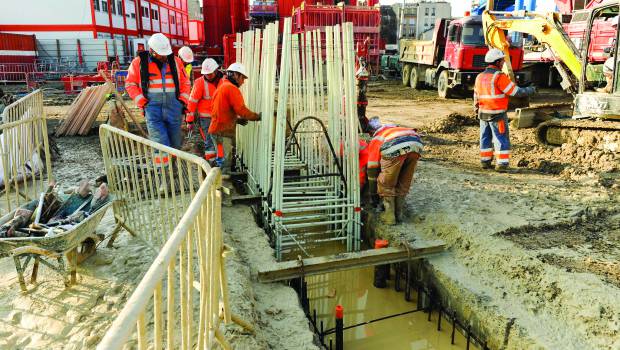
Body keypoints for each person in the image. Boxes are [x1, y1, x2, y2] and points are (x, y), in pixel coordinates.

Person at [125, 33, 191, 151]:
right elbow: (130, 84)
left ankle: (174, 167)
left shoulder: (175, 61)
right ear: (152, 50)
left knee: (176, 144)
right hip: (152, 109)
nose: (165, 57)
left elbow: (186, 82)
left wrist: (182, 101)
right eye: (162, 54)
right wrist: (142, 102)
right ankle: (163, 168)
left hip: (174, 108)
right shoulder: (139, 63)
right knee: (160, 145)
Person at [474, 48, 535, 173]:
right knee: (500, 138)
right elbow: (515, 92)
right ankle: (502, 164)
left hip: (483, 112)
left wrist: (476, 109)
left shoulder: (479, 77)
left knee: (485, 137)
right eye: (501, 61)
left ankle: (485, 161)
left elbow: (476, 96)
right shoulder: (499, 77)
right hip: (497, 113)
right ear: (496, 62)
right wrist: (530, 90)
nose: (503, 63)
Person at [366, 117, 424, 225]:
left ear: (371, 132)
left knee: (386, 183)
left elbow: (372, 168)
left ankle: (389, 216)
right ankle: (399, 214)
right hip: (416, 142)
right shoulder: (394, 129)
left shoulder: (377, 138)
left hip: (394, 145)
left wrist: (373, 193)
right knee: (404, 180)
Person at [210, 62, 260, 171]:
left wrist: (236, 120)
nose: (243, 82)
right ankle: (223, 183)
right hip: (221, 133)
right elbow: (242, 110)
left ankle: (218, 179)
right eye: (243, 78)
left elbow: (221, 111)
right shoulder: (231, 88)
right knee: (225, 161)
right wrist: (257, 117)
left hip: (218, 130)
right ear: (236, 75)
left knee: (222, 158)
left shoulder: (222, 86)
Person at [186, 58, 223, 162]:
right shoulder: (199, 83)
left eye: (210, 74)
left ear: (216, 70)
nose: (208, 76)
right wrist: (189, 120)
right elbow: (192, 103)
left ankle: (220, 162)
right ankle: (211, 163)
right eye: (206, 74)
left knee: (220, 140)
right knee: (209, 140)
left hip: (220, 117)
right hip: (206, 118)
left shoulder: (224, 81)